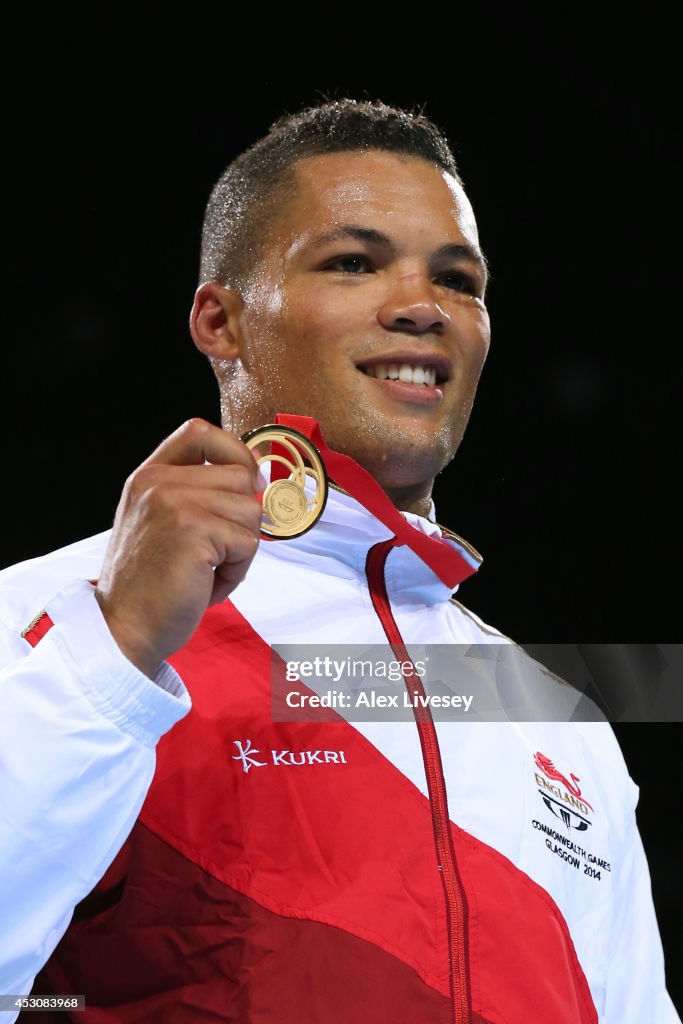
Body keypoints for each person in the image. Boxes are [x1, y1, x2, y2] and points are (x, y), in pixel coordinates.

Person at [0, 99, 677, 1023]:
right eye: (353, 263)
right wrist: (113, 654)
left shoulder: (557, 717)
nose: (420, 306)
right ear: (219, 321)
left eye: (458, 279)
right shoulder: (44, 616)